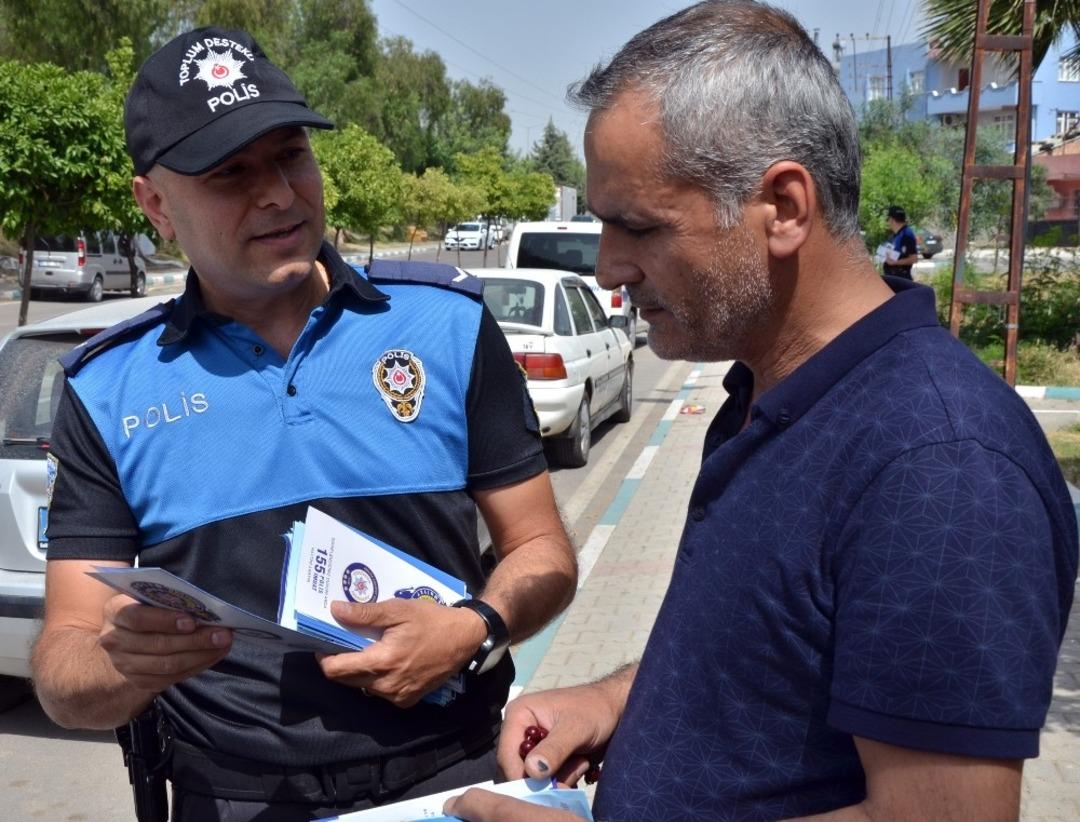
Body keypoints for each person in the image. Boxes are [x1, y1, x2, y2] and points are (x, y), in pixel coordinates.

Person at [444, 2, 1079, 821]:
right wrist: (615, 700)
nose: (609, 269)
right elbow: (772, 660)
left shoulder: (939, 463)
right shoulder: (768, 394)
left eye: (635, 226)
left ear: (782, 206)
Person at [29, 26, 577, 822]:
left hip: (455, 783)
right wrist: (118, 669)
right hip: (235, 800)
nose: (279, 194)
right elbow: (63, 664)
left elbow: (542, 550)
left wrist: (476, 626)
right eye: (231, 174)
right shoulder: (107, 388)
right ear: (155, 203)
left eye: (290, 155)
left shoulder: (446, 327)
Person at [883, 205, 919, 279]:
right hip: (893, 276)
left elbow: (914, 258)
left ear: (891, 220)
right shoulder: (896, 235)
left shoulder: (907, 234)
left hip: (902, 278)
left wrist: (894, 262)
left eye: (888, 219)